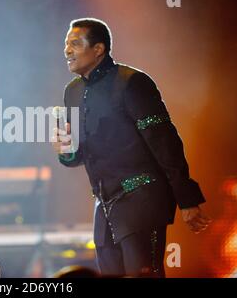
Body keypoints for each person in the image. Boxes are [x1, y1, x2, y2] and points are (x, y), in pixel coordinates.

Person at [52, 18, 211, 277]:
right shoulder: (72, 91)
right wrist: (65, 151)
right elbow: (77, 154)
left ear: (99, 49)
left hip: (142, 195)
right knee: (109, 272)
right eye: (66, 44)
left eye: (75, 43)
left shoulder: (132, 82)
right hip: (104, 202)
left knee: (142, 274)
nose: (67, 50)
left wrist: (187, 197)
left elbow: (165, 141)